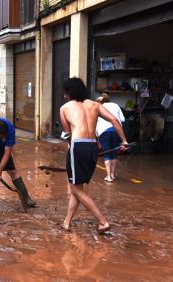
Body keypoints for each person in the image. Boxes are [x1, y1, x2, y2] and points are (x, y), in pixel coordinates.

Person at [59, 77, 128, 234]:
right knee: (78, 187)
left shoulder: (65, 108)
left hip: (78, 146)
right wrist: (124, 141)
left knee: (75, 189)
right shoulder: (95, 105)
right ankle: (66, 223)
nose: (64, 96)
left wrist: (72, 151)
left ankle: (102, 221)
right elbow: (114, 120)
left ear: (70, 93)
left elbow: (68, 135)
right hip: (93, 146)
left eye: (65, 93)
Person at [96, 93, 126, 182]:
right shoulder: (115, 105)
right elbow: (123, 119)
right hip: (117, 130)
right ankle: (113, 175)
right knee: (114, 153)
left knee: (107, 154)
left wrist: (96, 137)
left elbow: (95, 123)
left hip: (104, 131)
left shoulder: (98, 107)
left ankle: (108, 176)